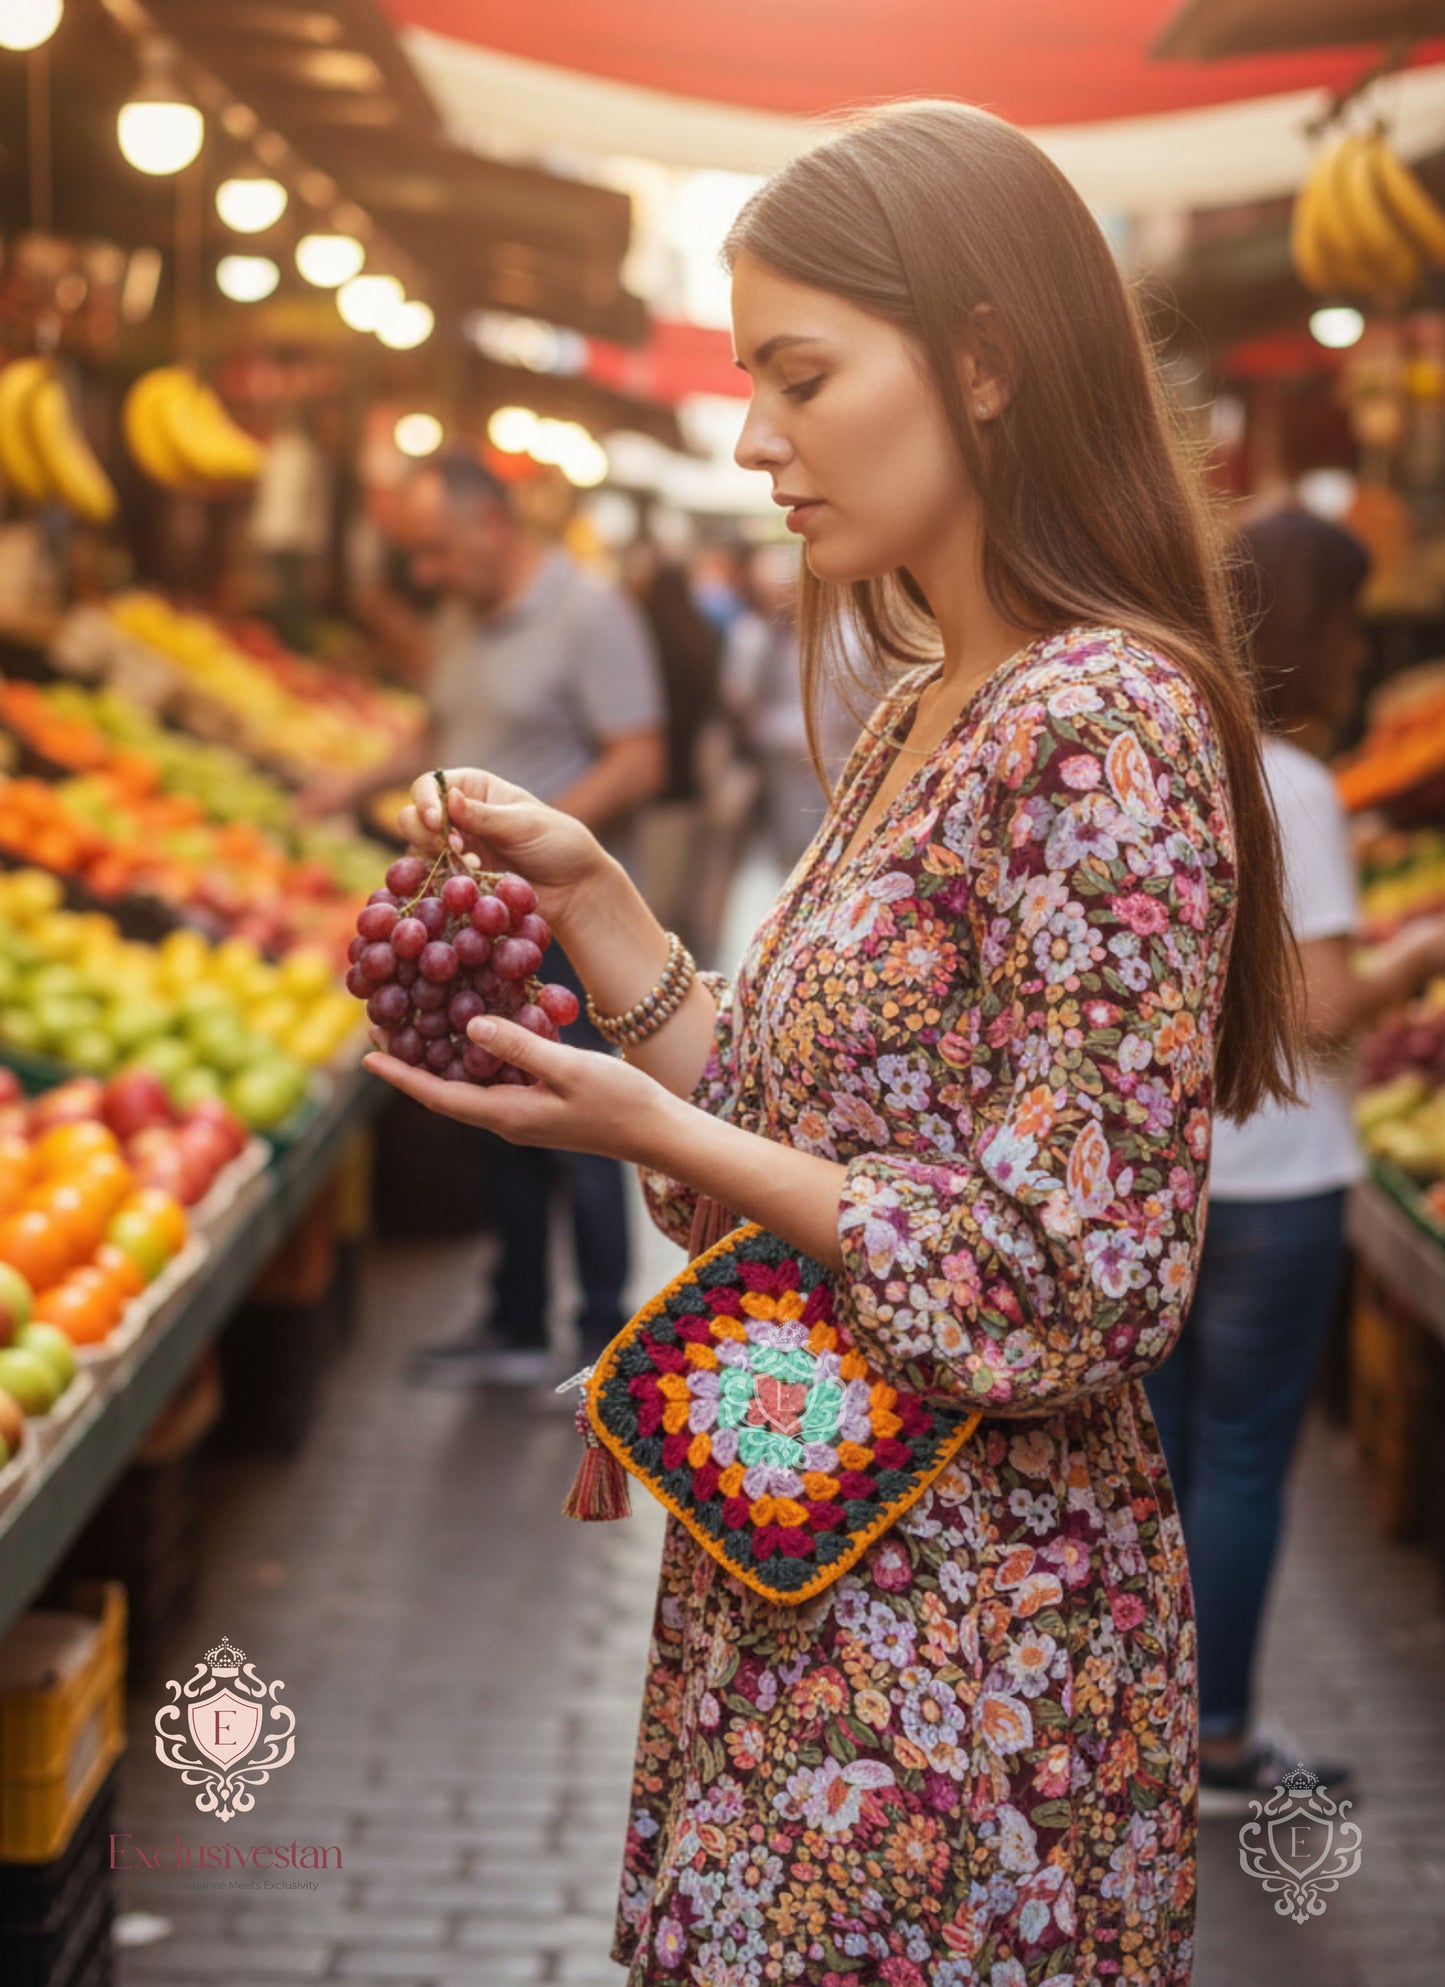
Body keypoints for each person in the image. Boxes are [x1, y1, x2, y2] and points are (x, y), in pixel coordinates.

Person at [363, 103, 1302, 1985]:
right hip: (816, 1600)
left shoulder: (1102, 723)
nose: (752, 437)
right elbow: (810, 1111)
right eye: (750, 377)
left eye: (801, 374)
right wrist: (597, 898)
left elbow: (1072, 1282)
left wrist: (669, 1138)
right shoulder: (927, 702)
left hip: (961, 1682)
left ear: (982, 357)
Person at [1145, 509, 1445, 1815]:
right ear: (1314, 626)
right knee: (1242, 1458)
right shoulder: (1293, 783)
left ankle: (1138, 1728)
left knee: (1151, 1466)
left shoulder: (1157, 748)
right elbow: (1315, 1009)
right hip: (1273, 1182)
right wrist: (1420, 954)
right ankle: (1214, 1738)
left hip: (1157, 1174)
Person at [312, 454, 666, 1387]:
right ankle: (514, 1320)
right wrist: (351, 784)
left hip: (553, 926)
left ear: (491, 524)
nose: (423, 575)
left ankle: (605, 1338)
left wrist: (540, 849)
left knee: (589, 1126)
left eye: (434, 550)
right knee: (494, 1112)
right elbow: (438, 733)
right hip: (470, 918)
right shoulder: (461, 622)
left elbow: (639, 758)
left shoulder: (591, 613)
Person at [722, 541, 861, 872]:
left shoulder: (846, 635)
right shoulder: (754, 636)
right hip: (779, 773)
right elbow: (739, 701)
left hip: (834, 769)